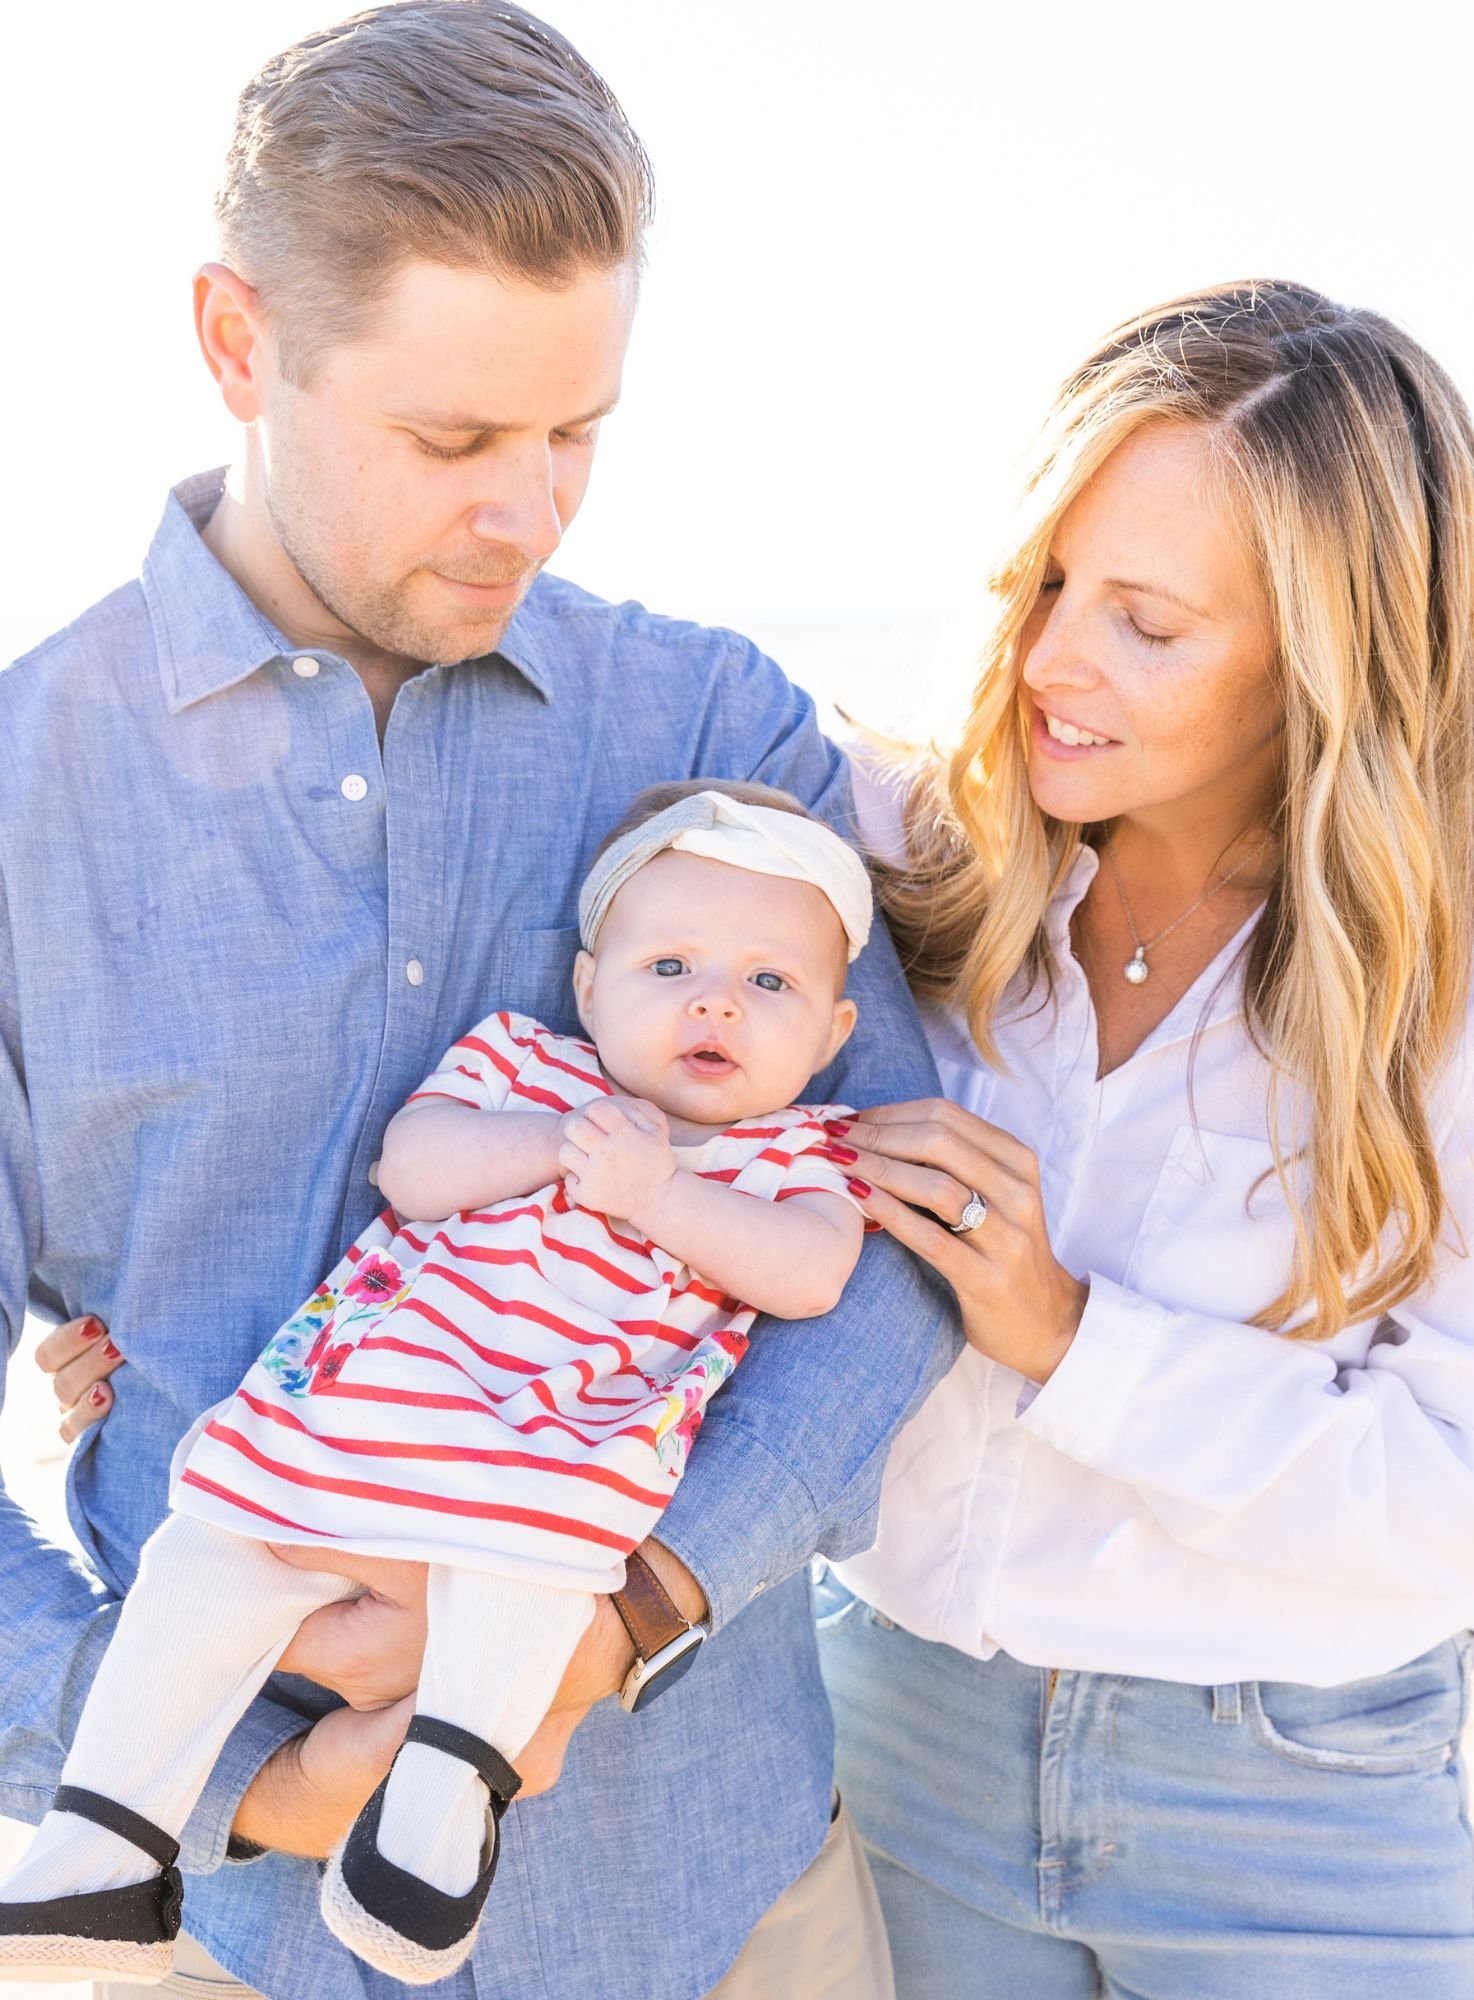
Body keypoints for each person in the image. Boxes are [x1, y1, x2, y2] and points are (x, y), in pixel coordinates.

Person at [0, 7, 949, 1997]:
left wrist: (615, 1617)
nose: (531, 513)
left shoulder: (704, 719)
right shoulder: (24, 795)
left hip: (719, 1893)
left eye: (574, 432)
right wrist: (209, 1757)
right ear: (239, 342)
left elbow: (888, 1237)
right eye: (452, 442)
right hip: (217, 1936)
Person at [816, 280, 1474, 1996]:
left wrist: (1070, 1341)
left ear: (1319, 664)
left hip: (1300, 1814)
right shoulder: (889, 859)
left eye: (1144, 623)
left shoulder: (1443, 987)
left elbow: (1448, 1494)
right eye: (1044, 585)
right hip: (888, 1748)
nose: (1047, 663)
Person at [0, 783, 875, 1987]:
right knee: (204, 1560)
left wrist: (662, 1191)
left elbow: (816, 1273)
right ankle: (103, 1832)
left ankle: (431, 1823)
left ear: (831, 1033)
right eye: (668, 963)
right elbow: (413, 1167)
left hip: (554, 1448)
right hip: (360, 1414)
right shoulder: (522, 1064)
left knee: (527, 1583)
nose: (715, 1000)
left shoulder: (792, 1151)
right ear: (587, 988)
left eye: (769, 983)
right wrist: (560, 1141)